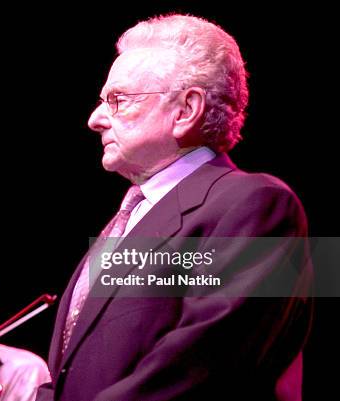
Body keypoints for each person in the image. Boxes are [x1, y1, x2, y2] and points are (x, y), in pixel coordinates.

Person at [36, 14, 312, 401]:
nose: (94, 120)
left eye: (117, 100)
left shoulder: (261, 204)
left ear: (186, 110)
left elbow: (206, 366)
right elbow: (68, 377)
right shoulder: (124, 221)